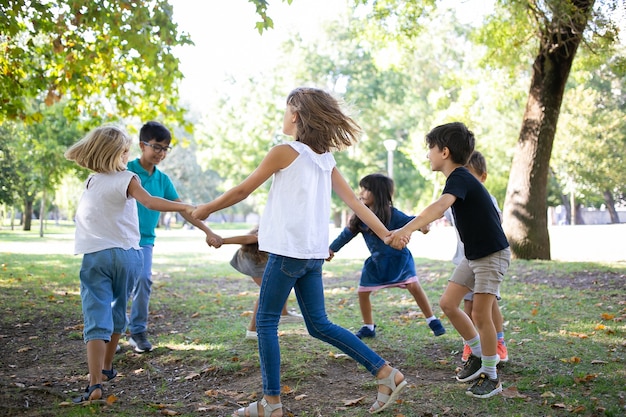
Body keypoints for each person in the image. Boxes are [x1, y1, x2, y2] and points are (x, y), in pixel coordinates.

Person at [193, 87, 408, 416]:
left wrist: (207, 208)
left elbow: (242, 189)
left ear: (295, 114)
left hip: (288, 254)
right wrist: (386, 233)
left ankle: (271, 403)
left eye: (286, 108)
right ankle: (385, 373)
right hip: (311, 256)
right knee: (318, 324)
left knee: (265, 323)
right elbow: (354, 204)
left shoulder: (285, 151)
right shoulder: (325, 159)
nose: (283, 114)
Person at [64, 125, 195, 403]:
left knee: (96, 314)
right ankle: (108, 366)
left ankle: (94, 382)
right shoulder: (128, 177)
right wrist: (184, 206)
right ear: (122, 153)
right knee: (118, 309)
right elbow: (148, 202)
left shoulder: (91, 182)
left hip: (96, 256)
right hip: (128, 256)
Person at [387, 122, 510, 399]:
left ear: (444, 151)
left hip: (491, 255)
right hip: (474, 255)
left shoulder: (461, 177)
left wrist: (407, 230)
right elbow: (440, 210)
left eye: (430, 149)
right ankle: (478, 356)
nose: (427, 154)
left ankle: (491, 374)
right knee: (448, 303)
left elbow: (440, 205)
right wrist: (416, 225)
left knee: (480, 313)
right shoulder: (459, 179)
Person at [126, 121, 222, 353]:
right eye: (157, 147)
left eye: (166, 148)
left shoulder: (163, 180)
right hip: (121, 240)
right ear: (142, 145)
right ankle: (112, 331)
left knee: (144, 280)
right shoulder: (125, 170)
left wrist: (208, 231)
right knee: (119, 287)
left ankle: (137, 331)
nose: (161, 153)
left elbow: (183, 210)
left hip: (145, 240)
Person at [327, 173, 445, 339]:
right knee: (362, 292)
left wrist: (424, 225)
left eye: (366, 189)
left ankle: (431, 319)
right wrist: (332, 249)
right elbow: (346, 235)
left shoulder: (393, 214)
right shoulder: (361, 217)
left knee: (414, 286)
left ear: (378, 193)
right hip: (377, 264)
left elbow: (413, 222)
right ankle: (368, 327)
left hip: (400, 260)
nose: (361, 193)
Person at [444, 151, 509, 364]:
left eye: (470, 175)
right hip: (466, 258)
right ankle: (473, 345)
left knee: (486, 309)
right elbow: (440, 211)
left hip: (487, 256)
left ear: (482, 177)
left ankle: (495, 349)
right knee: (467, 306)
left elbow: (495, 223)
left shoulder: (484, 197)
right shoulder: (453, 193)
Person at [219, 226, 304, 341]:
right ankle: (252, 330)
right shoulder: (274, 224)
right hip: (255, 257)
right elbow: (249, 239)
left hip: (268, 254)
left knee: (283, 281)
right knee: (269, 291)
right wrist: (222, 241)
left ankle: (284, 314)